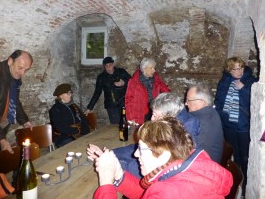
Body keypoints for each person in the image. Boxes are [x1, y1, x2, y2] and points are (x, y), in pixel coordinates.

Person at [93, 117, 233, 199]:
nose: (136, 154)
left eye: (141, 149)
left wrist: (106, 183)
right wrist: (119, 176)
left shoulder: (171, 193)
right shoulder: (186, 167)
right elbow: (152, 194)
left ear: (164, 155)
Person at [87, 92, 200, 179]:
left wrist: (115, 164)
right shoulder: (173, 124)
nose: (151, 119)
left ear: (168, 117)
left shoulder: (178, 134)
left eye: (155, 115)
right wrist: (111, 153)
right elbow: (140, 149)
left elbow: (154, 170)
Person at [0, 50, 33, 173]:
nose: (22, 73)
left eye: (26, 70)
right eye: (20, 68)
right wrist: (1, 139)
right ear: (10, 61)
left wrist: (25, 121)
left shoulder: (13, 77)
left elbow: (14, 101)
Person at [214, 56, 258, 195]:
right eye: (235, 69)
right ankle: (236, 180)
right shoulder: (225, 81)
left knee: (244, 156)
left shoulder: (251, 81)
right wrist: (220, 117)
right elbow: (219, 100)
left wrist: (243, 89)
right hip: (228, 124)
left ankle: (246, 184)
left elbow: (255, 102)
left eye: (241, 68)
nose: (239, 72)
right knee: (234, 154)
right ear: (229, 70)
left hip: (243, 125)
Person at [85, 57, 131, 125]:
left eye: (110, 65)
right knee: (115, 125)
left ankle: (125, 135)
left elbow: (132, 82)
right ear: (104, 67)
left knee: (125, 123)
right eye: (106, 66)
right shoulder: (101, 77)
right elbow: (97, 92)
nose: (108, 67)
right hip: (111, 105)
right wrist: (89, 108)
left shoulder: (121, 72)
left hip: (123, 103)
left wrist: (124, 83)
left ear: (113, 64)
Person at [185, 82, 223, 163]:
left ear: (201, 102)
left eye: (188, 100)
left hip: (206, 168)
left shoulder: (201, 123)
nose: (186, 103)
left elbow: (186, 152)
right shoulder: (211, 112)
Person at [125, 57, 170, 125]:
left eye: (154, 68)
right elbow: (128, 99)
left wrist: (169, 97)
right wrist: (130, 117)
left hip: (153, 110)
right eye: (151, 68)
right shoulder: (134, 82)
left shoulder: (156, 78)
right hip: (140, 113)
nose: (154, 70)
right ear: (144, 69)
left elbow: (165, 89)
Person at [49, 83, 90, 148]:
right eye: (68, 93)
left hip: (79, 133)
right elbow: (60, 128)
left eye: (70, 93)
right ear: (60, 95)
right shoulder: (55, 109)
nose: (70, 95)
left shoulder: (74, 106)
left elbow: (83, 119)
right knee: (78, 146)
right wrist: (77, 130)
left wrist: (86, 130)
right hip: (64, 138)